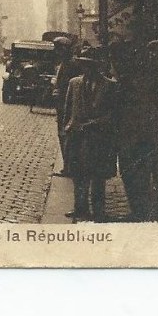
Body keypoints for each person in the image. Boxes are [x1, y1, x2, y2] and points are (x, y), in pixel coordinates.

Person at [62, 48, 118, 222]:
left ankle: (99, 211)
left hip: (97, 138)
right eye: (84, 65)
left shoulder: (109, 85)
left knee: (98, 177)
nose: (87, 69)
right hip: (77, 137)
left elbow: (112, 114)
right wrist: (67, 129)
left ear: (97, 67)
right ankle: (80, 208)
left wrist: (94, 124)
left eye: (90, 65)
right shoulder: (74, 83)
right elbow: (68, 109)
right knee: (77, 175)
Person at [112, 39, 158, 222]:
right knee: (131, 175)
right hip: (131, 137)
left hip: (137, 137)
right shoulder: (130, 78)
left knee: (137, 176)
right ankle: (140, 211)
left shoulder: (134, 80)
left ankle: (142, 212)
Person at [51, 36, 81, 173]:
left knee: (66, 134)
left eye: (59, 49)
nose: (56, 53)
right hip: (62, 103)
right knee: (63, 134)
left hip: (67, 104)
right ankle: (67, 164)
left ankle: (69, 166)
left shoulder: (72, 64)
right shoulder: (64, 63)